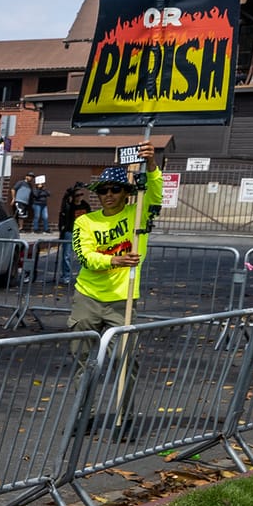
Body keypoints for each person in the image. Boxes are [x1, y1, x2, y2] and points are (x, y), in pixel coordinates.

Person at [68, 141, 162, 363]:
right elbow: (85, 256)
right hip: (87, 296)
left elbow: (156, 194)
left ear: (126, 192)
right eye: (103, 190)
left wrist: (151, 164)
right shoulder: (85, 221)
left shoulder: (138, 213)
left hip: (123, 297)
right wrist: (115, 260)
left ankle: (123, 400)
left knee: (124, 360)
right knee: (82, 359)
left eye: (115, 189)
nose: (108, 194)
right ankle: (84, 398)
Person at [55, 183, 90, 284]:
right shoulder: (70, 206)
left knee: (82, 255)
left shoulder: (85, 205)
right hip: (70, 231)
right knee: (67, 254)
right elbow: (64, 208)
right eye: (77, 195)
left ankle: (82, 275)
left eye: (81, 194)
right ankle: (66, 275)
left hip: (83, 232)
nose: (80, 197)